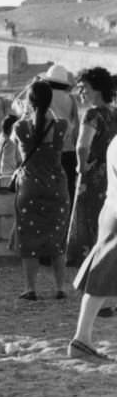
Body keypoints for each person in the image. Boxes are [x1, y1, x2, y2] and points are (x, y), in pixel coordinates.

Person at [11, 81, 69, 300]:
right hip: (57, 186)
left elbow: (17, 153)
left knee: (29, 240)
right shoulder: (62, 125)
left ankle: (30, 289)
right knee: (57, 240)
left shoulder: (20, 127)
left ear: (30, 101)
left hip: (30, 187)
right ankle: (60, 288)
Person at [70, 134, 117, 359]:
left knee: (100, 276)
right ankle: (81, 339)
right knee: (100, 277)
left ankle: (82, 338)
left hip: (110, 210)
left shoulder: (115, 141)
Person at [65, 68, 117, 268]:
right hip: (112, 174)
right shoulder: (115, 113)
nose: (81, 92)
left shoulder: (92, 114)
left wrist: (81, 166)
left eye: (84, 87)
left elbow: (82, 146)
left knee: (89, 219)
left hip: (94, 175)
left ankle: (90, 264)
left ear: (97, 88)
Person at [14, 65, 79, 202]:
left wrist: (32, 85)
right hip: (68, 151)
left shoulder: (43, 96)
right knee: (68, 193)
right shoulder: (71, 99)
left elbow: (16, 104)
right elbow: (76, 127)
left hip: (46, 151)